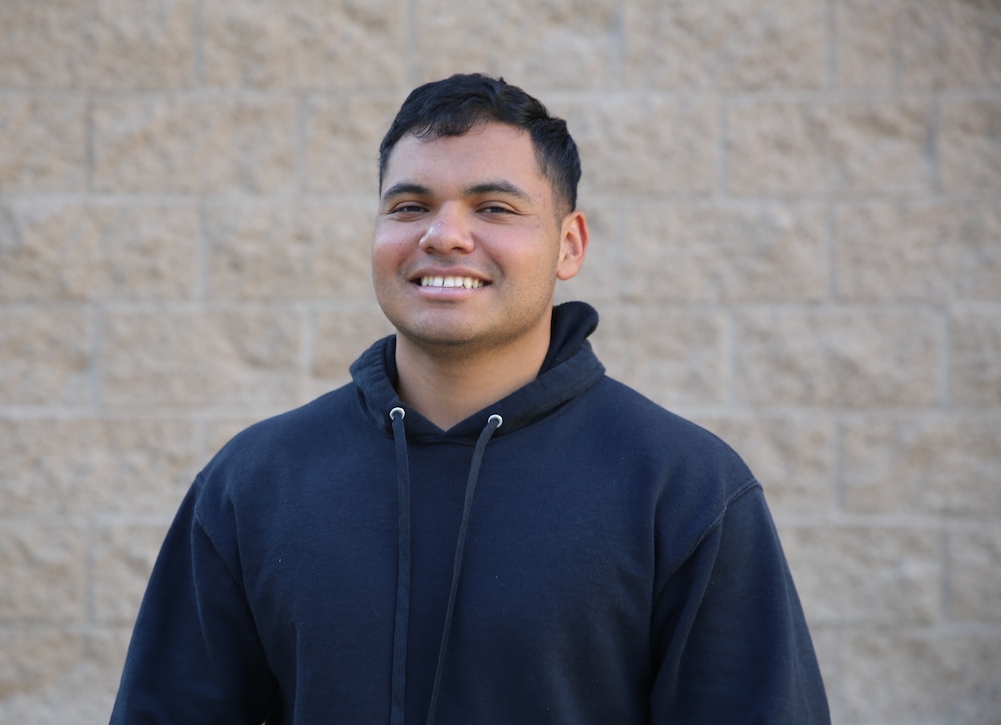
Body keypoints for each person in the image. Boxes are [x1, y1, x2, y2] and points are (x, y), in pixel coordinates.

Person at [110, 73, 830, 724]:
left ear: (569, 245)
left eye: (493, 206)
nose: (444, 235)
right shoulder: (254, 483)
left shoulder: (685, 490)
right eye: (410, 205)